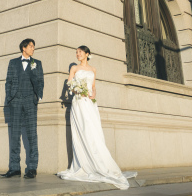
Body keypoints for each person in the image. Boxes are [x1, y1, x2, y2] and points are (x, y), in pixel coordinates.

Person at [58, 46, 136, 190]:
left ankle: (99, 161)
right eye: (76, 52)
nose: (78, 54)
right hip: (78, 103)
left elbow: (93, 86)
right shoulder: (74, 68)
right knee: (83, 130)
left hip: (90, 103)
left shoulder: (93, 69)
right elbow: (69, 86)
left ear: (87, 54)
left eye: (80, 52)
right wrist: (76, 90)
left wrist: (93, 93)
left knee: (93, 131)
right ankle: (84, 162)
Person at [0, 38, 44, 179]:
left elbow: (40, 81)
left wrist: (37, 97)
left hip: (30, 101)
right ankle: (14, 168)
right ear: (23, 48)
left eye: (33, 47)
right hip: (16, 101)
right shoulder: (13, 63)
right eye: (31, 46)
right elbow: (9, 81)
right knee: (15, 135)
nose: (33, 49)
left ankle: (32, 168)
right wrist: (10, 98)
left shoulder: (36, 63)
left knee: (32, 134)